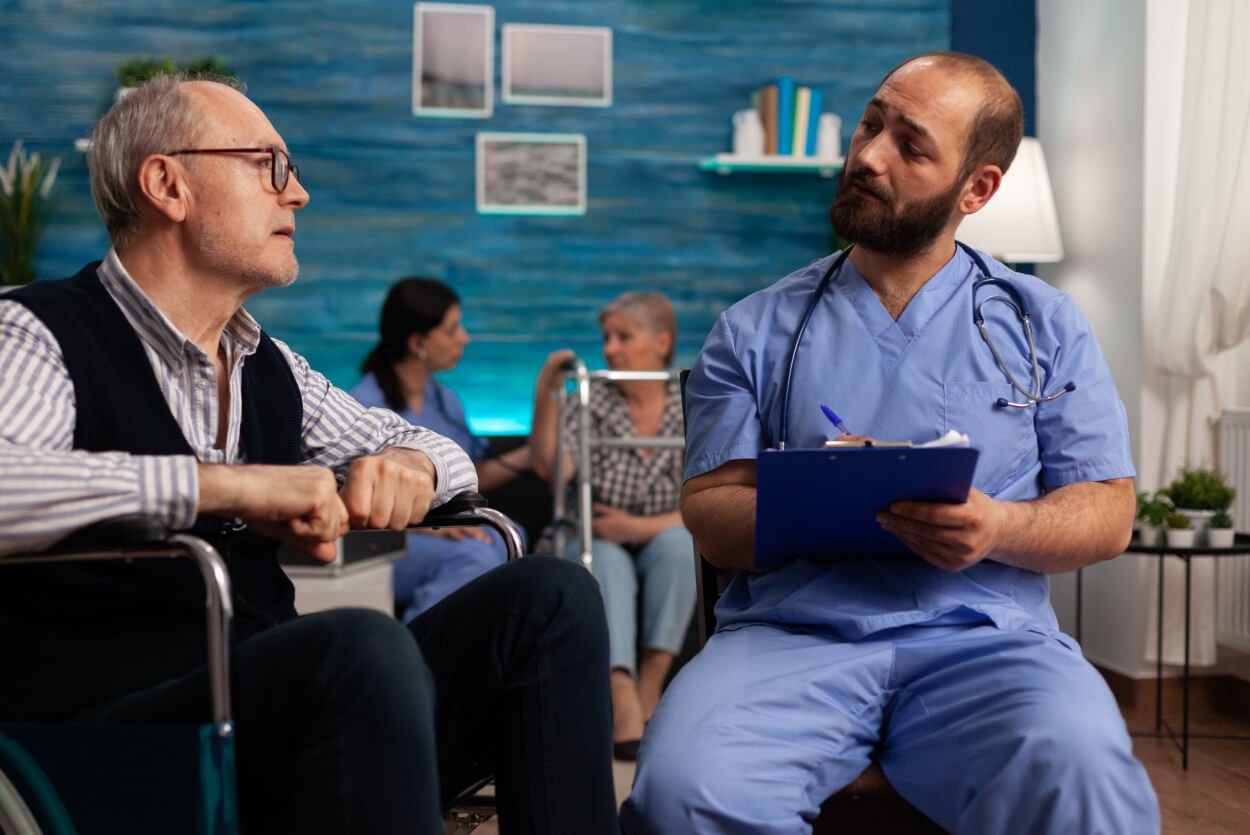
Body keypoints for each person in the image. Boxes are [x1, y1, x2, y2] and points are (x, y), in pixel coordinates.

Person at [0, 75, 618, 835]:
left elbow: (425, 444)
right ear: (167, 185)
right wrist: (226, 487)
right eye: (268, 164)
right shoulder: (33, 331)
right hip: (108, 741)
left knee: (552, 597)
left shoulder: (271, 365)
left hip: (269, 719)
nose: (298, 193)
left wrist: (413, 468)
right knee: (359, 646)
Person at [622, 52, 1160, 834]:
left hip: (988, 642)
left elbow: (1106, 511)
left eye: (911, 146)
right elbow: (711, 516)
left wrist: (997, 526)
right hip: (790, 638)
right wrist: (832, 499)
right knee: (681, 789)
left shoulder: (1043, 323)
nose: (869, 155)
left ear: (976, 189)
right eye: (871, 124)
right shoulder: (753, 328)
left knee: (1085, 775)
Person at [530, 291, 696, 762]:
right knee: (605, 560)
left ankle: (650, 687)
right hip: (593, 533)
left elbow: (706, 493)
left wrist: (635, 528)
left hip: (664, 529)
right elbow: (552, 471)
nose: (611, 349)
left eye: (624, 337)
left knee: (680, 546)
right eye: (607, 338)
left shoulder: (691, 399)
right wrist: (547, 393)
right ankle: (621, 695)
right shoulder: (591, 397)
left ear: (662, 342)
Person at [352, 277, 532, 621]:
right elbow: (362, 501)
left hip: (443, 528)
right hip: (389, 540)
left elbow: (472, 473)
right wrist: (431, 526)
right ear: (417, 342)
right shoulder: (364, 405)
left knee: (507, 537)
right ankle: (418, 646)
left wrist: (534, 452)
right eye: (452, 331)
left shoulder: (444, 400)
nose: (464, 338)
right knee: (474, 556)